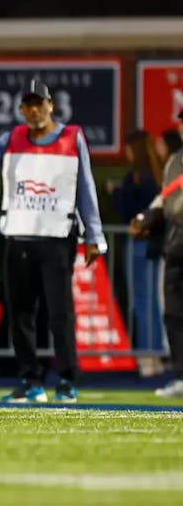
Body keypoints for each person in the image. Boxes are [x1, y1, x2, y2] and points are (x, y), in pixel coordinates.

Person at [0, 77, 106, 403]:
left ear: (51, 106)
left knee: (60, 313)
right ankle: (30, 381)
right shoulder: (13, 138)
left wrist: (94, 235)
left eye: (40, 104)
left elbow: (85, 188)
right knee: (21, 314)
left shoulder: (72, 137)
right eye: (29, 105)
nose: (35, 110)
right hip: (19, 237)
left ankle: (67, 380)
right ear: (21, 110)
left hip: (57, 236)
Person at [131, 109, 183, 398]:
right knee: (174, 313)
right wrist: (146, 216)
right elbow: (165, 196)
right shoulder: (175, 160)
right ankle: (182, 376)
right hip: (176, 244)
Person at [109, 131, 164, 376]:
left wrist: (115, 191)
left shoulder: (137, 177)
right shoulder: (158, 174)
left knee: (142, 302)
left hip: (140, 244)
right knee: (151, 302)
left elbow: (126, 211)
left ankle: (148, 358)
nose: (127, 153)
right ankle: (154, 356)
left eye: (129, 148)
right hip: (155, 244)